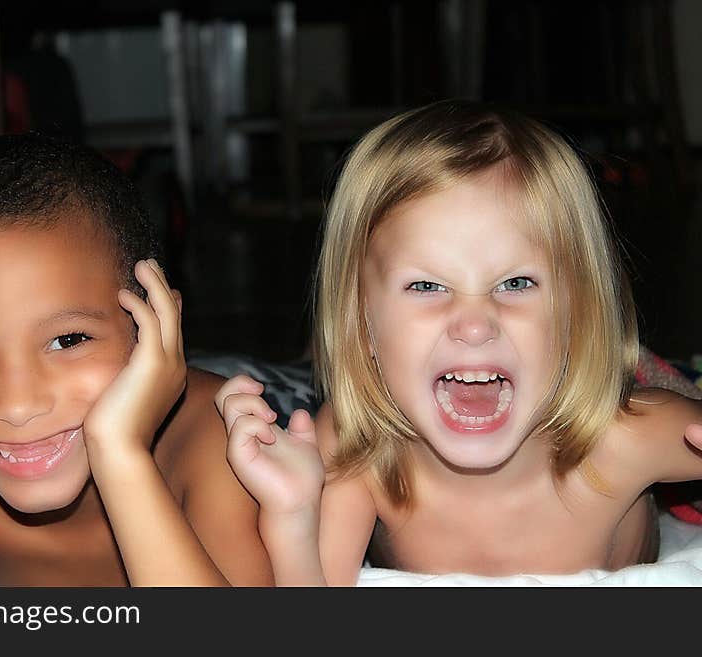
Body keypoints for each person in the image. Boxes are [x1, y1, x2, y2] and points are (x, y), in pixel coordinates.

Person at [216, 99, 702, 585]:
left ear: (580, 313)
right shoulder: (357, 447)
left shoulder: (631, 436)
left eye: (515, 283)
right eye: (427, 286)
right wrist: (293, 517)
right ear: (361, 324)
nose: (474, 325)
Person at [0, 132, 273, 586]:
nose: (19, 405)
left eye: (67, 341)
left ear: (156, 328)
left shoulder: (220, 440)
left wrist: (122, 456)